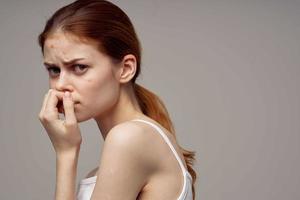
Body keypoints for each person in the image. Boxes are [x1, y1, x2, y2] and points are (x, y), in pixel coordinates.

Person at [37, 0, 197, 199]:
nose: (60, 85)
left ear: (126, 69)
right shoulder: (104, 168)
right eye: (54, 70)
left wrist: (66, 154)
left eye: (79, 67)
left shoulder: (129, 138)